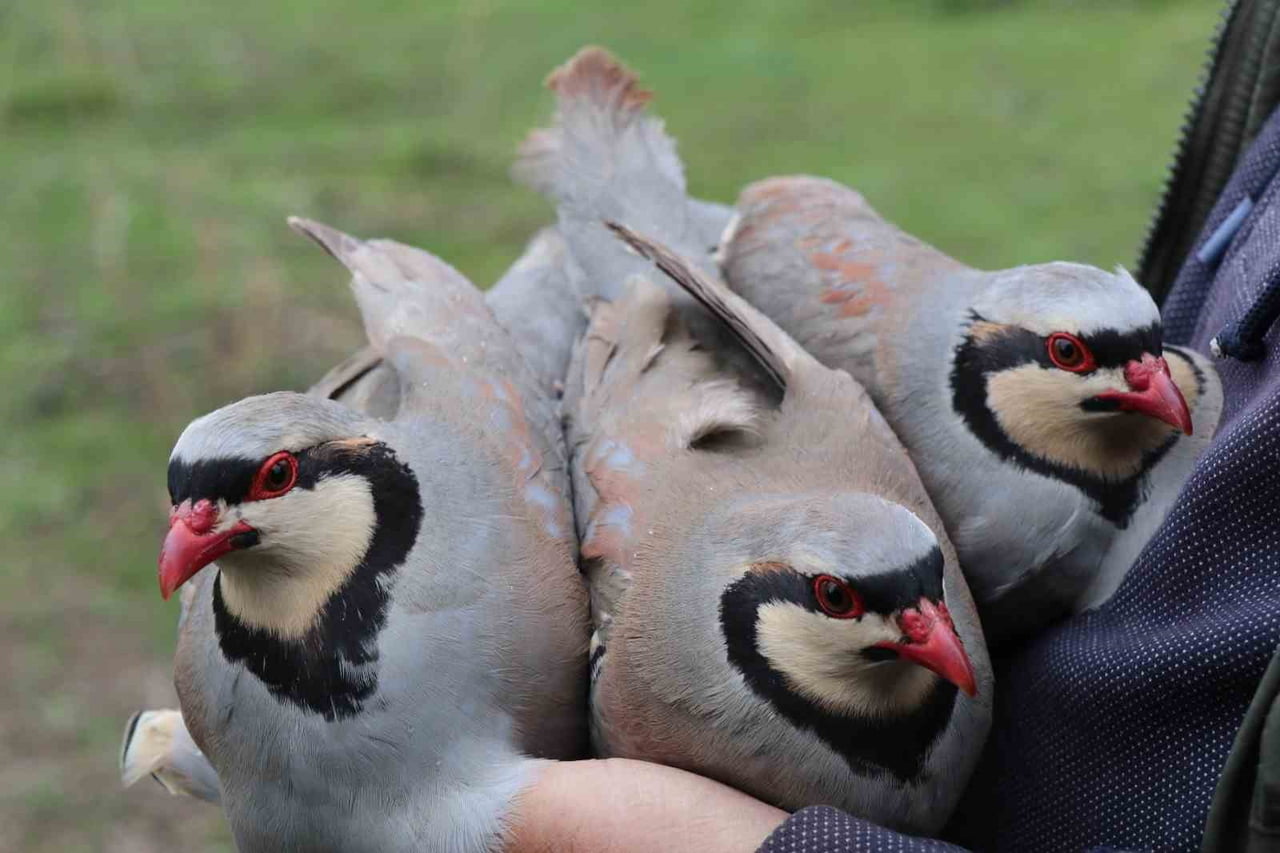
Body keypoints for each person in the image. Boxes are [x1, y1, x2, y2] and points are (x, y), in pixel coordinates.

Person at [506, 2, 1280, 850]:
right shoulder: (654, 662)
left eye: (936, 594)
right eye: (843, 601)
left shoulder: (937, 583)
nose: (938, 625)